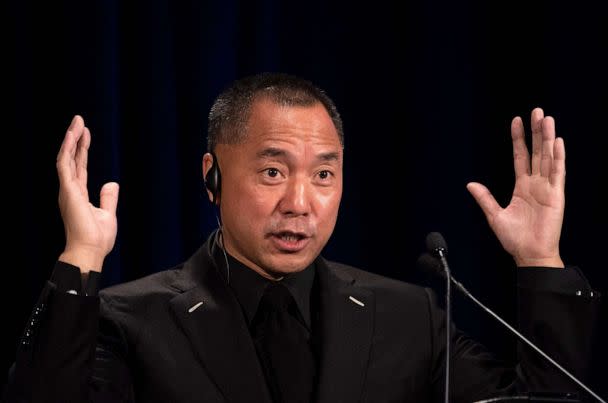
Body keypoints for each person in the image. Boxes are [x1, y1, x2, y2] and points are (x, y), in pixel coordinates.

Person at [3, 72, 601, 403]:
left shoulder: (406, 317)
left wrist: (539, 260)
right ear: (210, 176)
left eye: (323, 174)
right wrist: (80, 257)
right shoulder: (130, 320)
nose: (299, 202)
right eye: (271, 171)